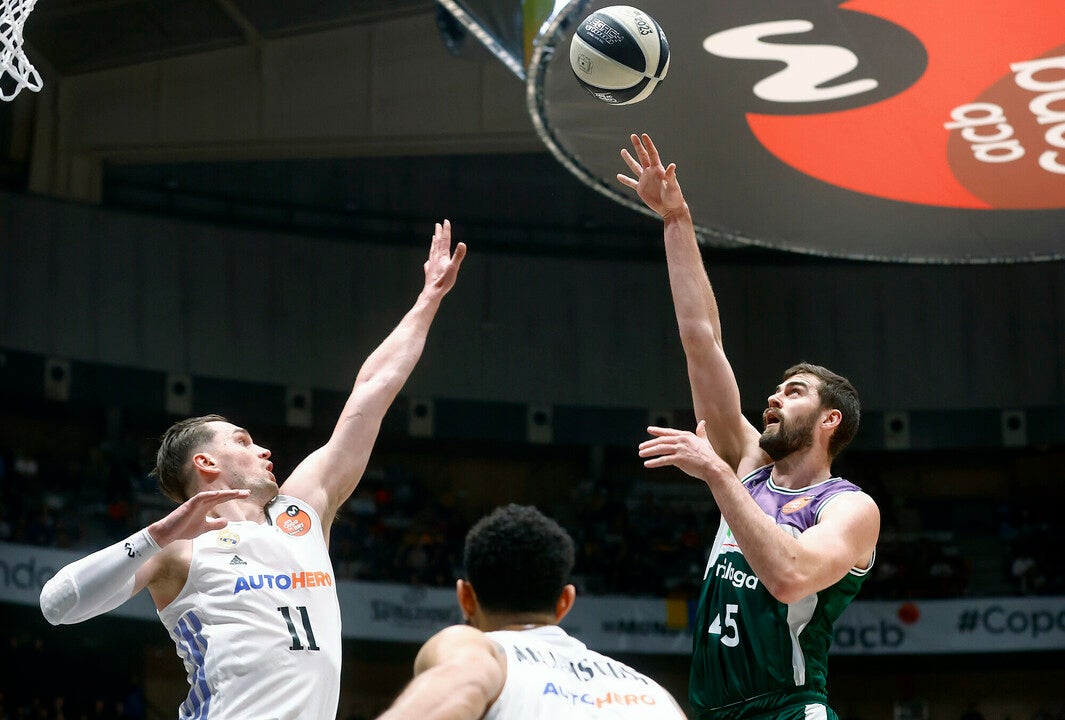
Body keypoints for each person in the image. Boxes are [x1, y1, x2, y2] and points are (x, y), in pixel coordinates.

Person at [39, 220, 467, 720]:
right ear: (206, 462)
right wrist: (156, 536)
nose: (263, 449)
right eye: (243, 440)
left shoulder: (302, 509)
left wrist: (428, 300)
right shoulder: (178, 548)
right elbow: (56, 605)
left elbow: (371, 391)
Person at [617, 134, 880, 720]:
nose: (773, 397)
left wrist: (716, 472)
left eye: (793, 392)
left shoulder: (848, 508)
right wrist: (676, 219)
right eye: (776, 389)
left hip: (789, 708)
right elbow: (700, 338)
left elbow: (789, 578)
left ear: (829, 419)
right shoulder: (750, 463)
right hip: (713, 712)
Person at [376, 504, 688, 720]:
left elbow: (466, 678)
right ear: (565, 601)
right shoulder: (651, 692)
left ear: (466, 598)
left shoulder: (476, 649)